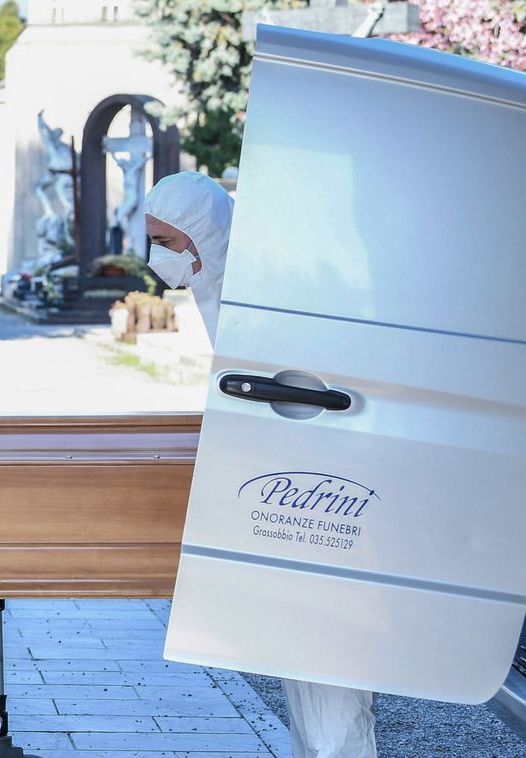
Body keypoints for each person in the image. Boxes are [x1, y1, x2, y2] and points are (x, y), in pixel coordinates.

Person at [144, 171, 378, 758]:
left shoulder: (265, 293)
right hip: (284, 496)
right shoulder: (220, 288)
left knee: (326, 654)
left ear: (203, 234)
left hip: (317, 500)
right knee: (301, 654)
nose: (159, 258)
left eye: (168, 243)